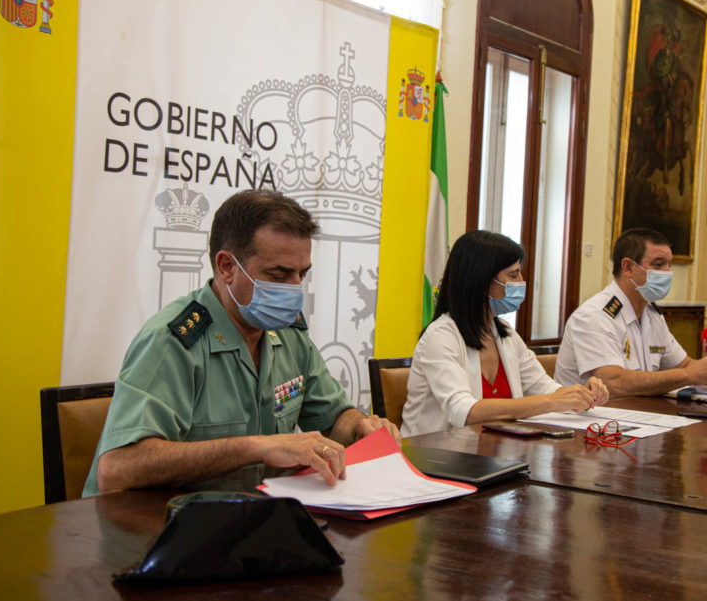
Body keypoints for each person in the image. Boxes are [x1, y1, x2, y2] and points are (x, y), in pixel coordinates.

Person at [83, 189, 399, 496]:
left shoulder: (287, 332)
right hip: (159, 532)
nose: (295, 289)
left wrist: (360, 427)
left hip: (254, 524)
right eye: (279, 273)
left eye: (302, 274)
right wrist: (258, 448)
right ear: (227, 266)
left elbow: (332, 419)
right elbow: (116, 469)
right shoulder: (174, 339)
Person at [401, 231, 608, 437]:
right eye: (513, 275)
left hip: (493, 457)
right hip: (433, 458)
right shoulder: (440, 337)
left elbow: (544, 388)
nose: (521, 281)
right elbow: (463, 411)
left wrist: (582, 394)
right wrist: (552, 402)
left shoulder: (505, 334)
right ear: (482, 281)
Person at [554, 228, 707, 398]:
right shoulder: (595, 316)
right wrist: (689, 375)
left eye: (669, 264)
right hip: (591, 420)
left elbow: (685, 365)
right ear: (628, 267)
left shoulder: (652, 315)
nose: (667, 272)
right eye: (658, 264)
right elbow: (613, 383)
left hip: (638, 415)